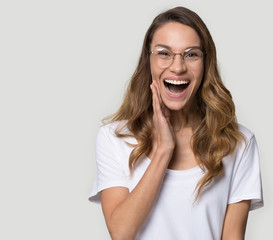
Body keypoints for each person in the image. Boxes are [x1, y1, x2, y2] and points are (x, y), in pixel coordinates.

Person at [89, 6, 263, 240]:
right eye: (164, 53)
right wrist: (164, 149)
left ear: (205, 63)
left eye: (191, 54)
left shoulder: (238, 143)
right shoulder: (114, 138)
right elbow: (121, 232)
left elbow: (232, 236)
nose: (178, 67)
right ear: (148, 61)